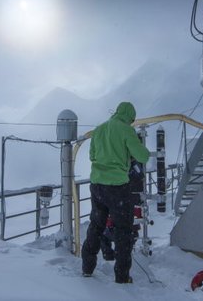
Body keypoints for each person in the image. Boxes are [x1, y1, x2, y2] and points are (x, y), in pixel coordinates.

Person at [82, 102, 150, 284]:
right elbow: (143, 156)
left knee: (96, 226)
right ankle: (122, 276)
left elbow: (92, 156)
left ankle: (87, 268)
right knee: (123, 231)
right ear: (130, 117)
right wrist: (128, 153)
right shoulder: (127, 130)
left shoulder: (99, 129)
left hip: (97, 185)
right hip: (117, 188)